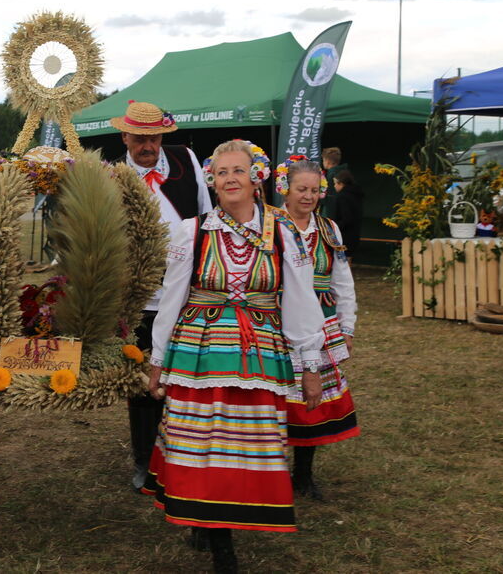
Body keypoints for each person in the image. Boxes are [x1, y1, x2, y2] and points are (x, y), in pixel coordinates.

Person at [143, 140, 324, 574]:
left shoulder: (283, 232)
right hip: (199, 356)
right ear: (212, 181)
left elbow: (300, 301)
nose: (229, 179)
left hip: (258, 358)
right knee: (200, 446)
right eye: (221, 172)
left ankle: (217, 524)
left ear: (256, 177)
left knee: (242, 449)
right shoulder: (193, 231)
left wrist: (312, 365)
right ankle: (215, 538)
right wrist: (158, 358)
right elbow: (172, 298)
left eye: (237, 170)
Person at [110, 100, 213, 492]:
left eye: (153, 138)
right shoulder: (111, 173)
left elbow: (206, 216)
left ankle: (183, 455)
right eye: (139, 139)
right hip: (137, 300)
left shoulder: (185, 160)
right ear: (125, 137)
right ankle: (143, 459)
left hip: (186, 294)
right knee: (141, 386)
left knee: (185, 378)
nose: (147, 146)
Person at [276, 156, 359, 500]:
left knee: (312, 401)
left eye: (314, 190)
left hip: (322, 325)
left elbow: (343, 279)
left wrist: (348, 325)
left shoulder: (329, 229)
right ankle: (271, 473)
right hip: (278, 322)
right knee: (279, 398)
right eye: (301, 189)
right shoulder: (270, 225)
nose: (308, 196)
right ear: (285, 189)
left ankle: (303, 475)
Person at [332, 169, 364, 259]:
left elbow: (346, 219)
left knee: (341, 263)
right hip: (354, 236)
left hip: (343, 237)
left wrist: (334, 228)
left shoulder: (343, 197)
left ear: (341, 184)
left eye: (335, 183)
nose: (334, 186)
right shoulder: (357, 195)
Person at [321, 147, 348, 218]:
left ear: (327, 161)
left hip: (330, 212)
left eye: (323, 160)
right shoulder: (343, 173)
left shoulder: (331, 175)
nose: (323, 162)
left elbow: (326, 195)